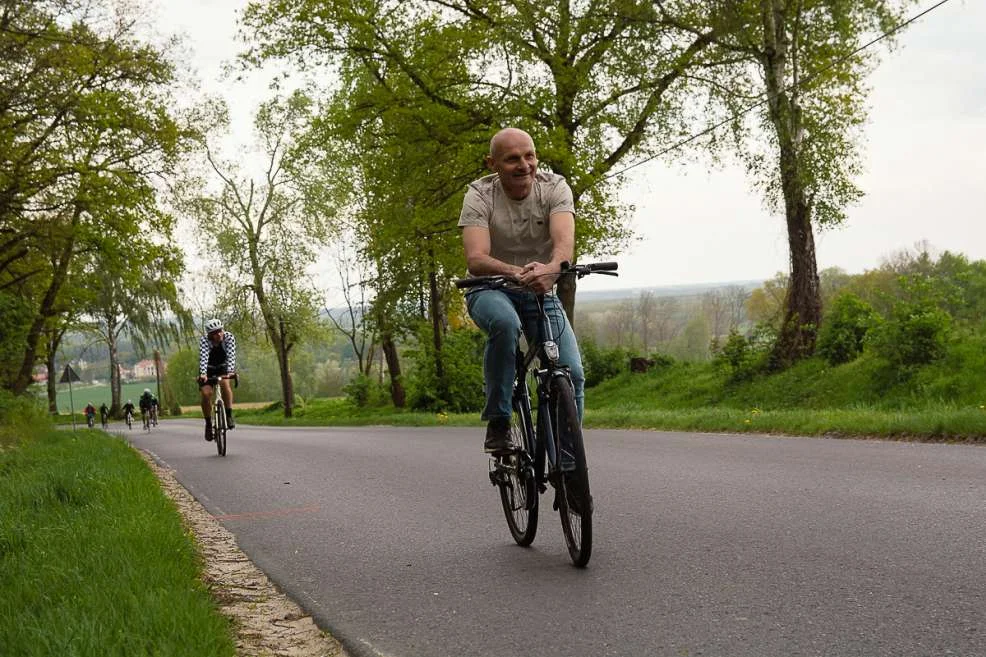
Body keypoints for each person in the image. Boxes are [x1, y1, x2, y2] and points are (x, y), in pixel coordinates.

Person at [457, 127, 585, 454]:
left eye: (530, 156)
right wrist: (517, 272)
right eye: (512, 159)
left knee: (570, 373)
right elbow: (476, 258)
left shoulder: (554, 187)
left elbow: (564, 244)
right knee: (505, 324)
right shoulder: (479, 195)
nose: (524, 165)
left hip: (540, 287)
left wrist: (552, 270)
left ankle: (568, 466)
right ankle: (499, 418)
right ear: (492, 164)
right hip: (488, 287)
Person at [197, 318, 237, 441]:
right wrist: (203, 374)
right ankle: (208, 423)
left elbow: (231, 355)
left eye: (220, 330)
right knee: (206, 393)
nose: (219, 334)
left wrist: (230, 372)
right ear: (209, 335)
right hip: (208, 369)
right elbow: (203, 358)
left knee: (225, 383)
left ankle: (229, 414)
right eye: (215, 332)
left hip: (223, 367)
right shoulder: (204, 341)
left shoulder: (229, 337)